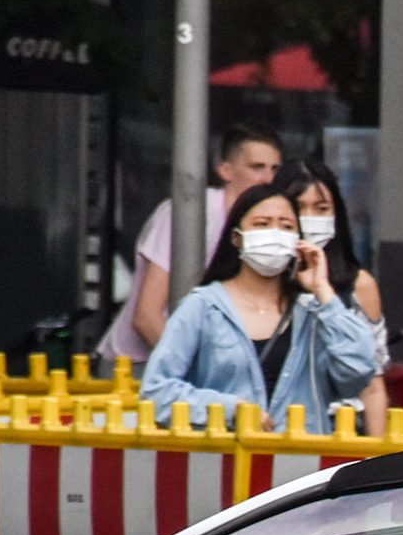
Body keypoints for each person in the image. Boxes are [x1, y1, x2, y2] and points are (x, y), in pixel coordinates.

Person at [140, 182, 379, 434]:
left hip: (301, 464)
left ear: (298, 242)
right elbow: (157, 391)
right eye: (262, 224)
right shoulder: (202, 306)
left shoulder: (313, 313)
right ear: (236, 237)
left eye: (286, 226)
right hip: (226, 464)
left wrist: (323, 292)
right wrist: (230, 410)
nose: (274, 234)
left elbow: (358, 372)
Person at [98, 122, 286, 368]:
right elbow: (147, 317)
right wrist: (198, 370)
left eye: (275, 169)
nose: (268, 179)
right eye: (257, 167)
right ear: (225, 171)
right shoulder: (189, 213)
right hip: (138, 365)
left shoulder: (267, 228)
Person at [279, 156, 391, 436]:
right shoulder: (263, 280)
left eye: (322, 208)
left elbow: (373, 385)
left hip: (343, 434)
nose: (310, 218)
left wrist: (377, 459)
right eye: (299, 207)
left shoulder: (358, 285)